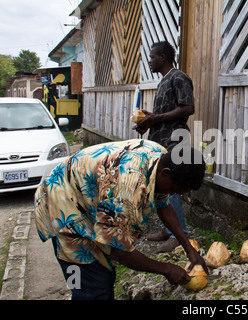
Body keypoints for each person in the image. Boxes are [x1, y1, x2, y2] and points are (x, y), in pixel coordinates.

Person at [34, 139, 208, 300]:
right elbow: (119, 250)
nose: (171, 194)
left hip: (86, 199)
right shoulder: (127, 188)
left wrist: (189, 249)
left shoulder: (161, 157)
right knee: (90, 286)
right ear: (166, 173)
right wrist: (167, 269)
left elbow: (163, 204)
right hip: (63, 204)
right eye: (173, 189)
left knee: (104, 275)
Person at [134, 41, 195, 253]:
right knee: (160, 184)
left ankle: (179, 236)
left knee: (172, 184)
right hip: (162, 140)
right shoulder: (163, 82)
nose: (149, 61)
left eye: (152, 57)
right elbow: (164, 115)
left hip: (175, 139)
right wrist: (149, 120)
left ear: (163, 57)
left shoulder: (179, 77)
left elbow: (188, 108)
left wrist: (155, 118)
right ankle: (167, 229)